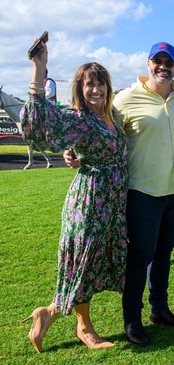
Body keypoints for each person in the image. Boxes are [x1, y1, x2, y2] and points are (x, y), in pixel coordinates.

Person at [67, 41, 174, 346]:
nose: (163, 66)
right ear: (148, 64)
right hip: (143, 192)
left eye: (169, 62)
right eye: (157, 61)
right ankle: (132, 320)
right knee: (140, 258)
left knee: (163, 255)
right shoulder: (125, 99)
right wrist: (79, 154)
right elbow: (103, 130)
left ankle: (159, 309)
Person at [20, 39, 127, 352]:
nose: (96, 90)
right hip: (90, 205)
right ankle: (84, 328)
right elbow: (41, 125)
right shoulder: (82, 121)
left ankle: (49, 313)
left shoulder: (110, 118)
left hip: (110, 206)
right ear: (80, 89)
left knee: (89, 268)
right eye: (89, 85)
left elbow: (106, 153)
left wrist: (79, 158)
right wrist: (38, 71)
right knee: (83, 267)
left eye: (101, 84)